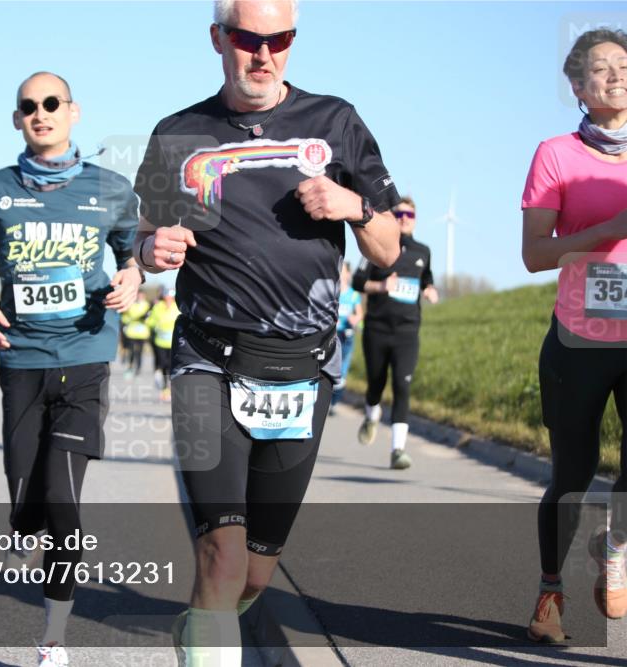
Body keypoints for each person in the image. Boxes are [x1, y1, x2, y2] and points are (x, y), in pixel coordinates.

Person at [132, 1, 401, 663]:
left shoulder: (335, 120)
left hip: (301, 369)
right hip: (206, 360)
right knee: (220, 554)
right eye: (247, 38)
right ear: (218, 39)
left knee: (255, 569)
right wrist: (149, 251)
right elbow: (143, 237)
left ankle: (204, 625)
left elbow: (389, 247)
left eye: (278, 39)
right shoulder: (178, 133)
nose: (263, 54)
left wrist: (353, 205)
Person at [0, 72, 142, 667]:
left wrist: (133, 279)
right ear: (17, 119)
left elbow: (136, 252)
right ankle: (22, 523)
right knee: (24, 503)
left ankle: (54, 638)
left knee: (63, 500)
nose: (42, 113)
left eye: (52, 103)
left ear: (73, 112)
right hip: (22, 361)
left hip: (86, 358)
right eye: (29, 106)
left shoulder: (111, 189)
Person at [521, 28, 627, 643]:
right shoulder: (555, 154)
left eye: (623, 64)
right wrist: (607, 228)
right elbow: (535, 254)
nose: (614, 74)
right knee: (573, 473)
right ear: (578, 88)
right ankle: (549, 595)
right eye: (599, 68)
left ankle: (614, 543)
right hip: (580, 338)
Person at [353, 196, 438, 469]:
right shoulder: (376, 247)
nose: (404, 219)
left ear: (415, 220)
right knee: (376, 383)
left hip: (407, 331)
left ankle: (398, 450)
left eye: (409, 216)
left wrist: (429, 290)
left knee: (402, 385)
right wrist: (380, 287)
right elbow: (357, 281)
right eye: (399, 214)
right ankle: (371, 415)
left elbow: (427, 279)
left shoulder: (423, 252)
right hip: (377, 328)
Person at [329, 261, 362, 413]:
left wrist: (355, 319)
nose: (342, 275)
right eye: (339, 272)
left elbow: (360, 313)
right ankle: (327, 401)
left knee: (341, 372)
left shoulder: (354, 295)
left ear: (349, 274)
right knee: (329, 369)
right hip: (332, 336)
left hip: (347, 336)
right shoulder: (332, 292)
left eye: (344, 272)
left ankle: (333, 403)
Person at [146, 286, 182, 402]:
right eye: (167, 296)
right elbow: (150, 321)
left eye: (171, 297)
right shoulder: (158, 307)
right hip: (160, 342)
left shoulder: (177, 307)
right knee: (163, 364)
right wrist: (155, 324)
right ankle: (164, 389)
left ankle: (171, 388)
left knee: (171, 366)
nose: (169, 299)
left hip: (173, 342)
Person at [121, 292, 151, 379]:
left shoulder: (147, 305)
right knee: (131, 351)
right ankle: (130, 367)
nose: (140, 297)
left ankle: (138, 368)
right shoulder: (131, 304)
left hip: (142, 333)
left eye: (141, 295)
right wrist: (136, 318)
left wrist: (145, 318)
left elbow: (149, 318)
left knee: (139, 352)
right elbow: (127, 317)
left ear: (144, 296)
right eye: (138, 295)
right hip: (131, 332)